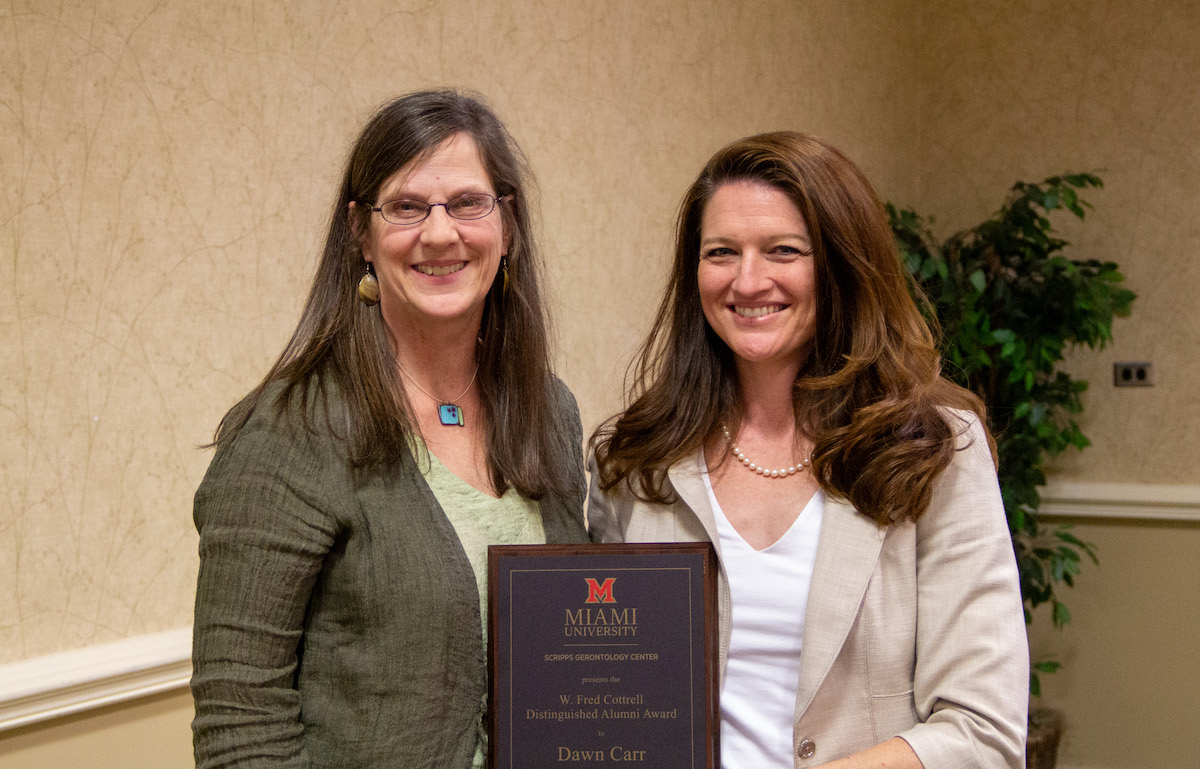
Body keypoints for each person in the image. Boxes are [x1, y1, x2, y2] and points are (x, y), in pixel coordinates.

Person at [588, 132, 1028, 768]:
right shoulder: (634, 460)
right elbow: (605, 700)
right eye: (721, 253)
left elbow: (982, 733)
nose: (748, 279)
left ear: (842, 266)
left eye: (782, 251)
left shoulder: (936, 450)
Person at [190, 90, 588, 769]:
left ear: (508, 224)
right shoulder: (290, 430)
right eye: (406, 207)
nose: (440, 233)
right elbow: (240, 728)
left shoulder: (549, 411)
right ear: (360, 233)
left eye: (468, 202)